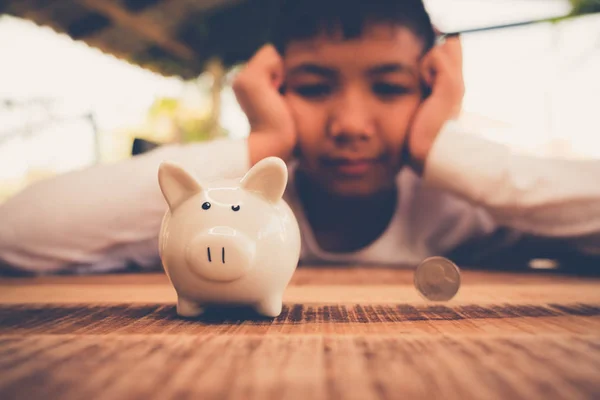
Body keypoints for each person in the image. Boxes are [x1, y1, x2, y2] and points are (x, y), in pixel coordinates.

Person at [1, 0, 599, 275]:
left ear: (431, 88)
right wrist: (260, 147)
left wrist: (438, 146)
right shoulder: (230, 213)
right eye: (314, 88)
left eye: (389, 89)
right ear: (274, 87)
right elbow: (16, 236)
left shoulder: (467, 204)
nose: (350, 125)